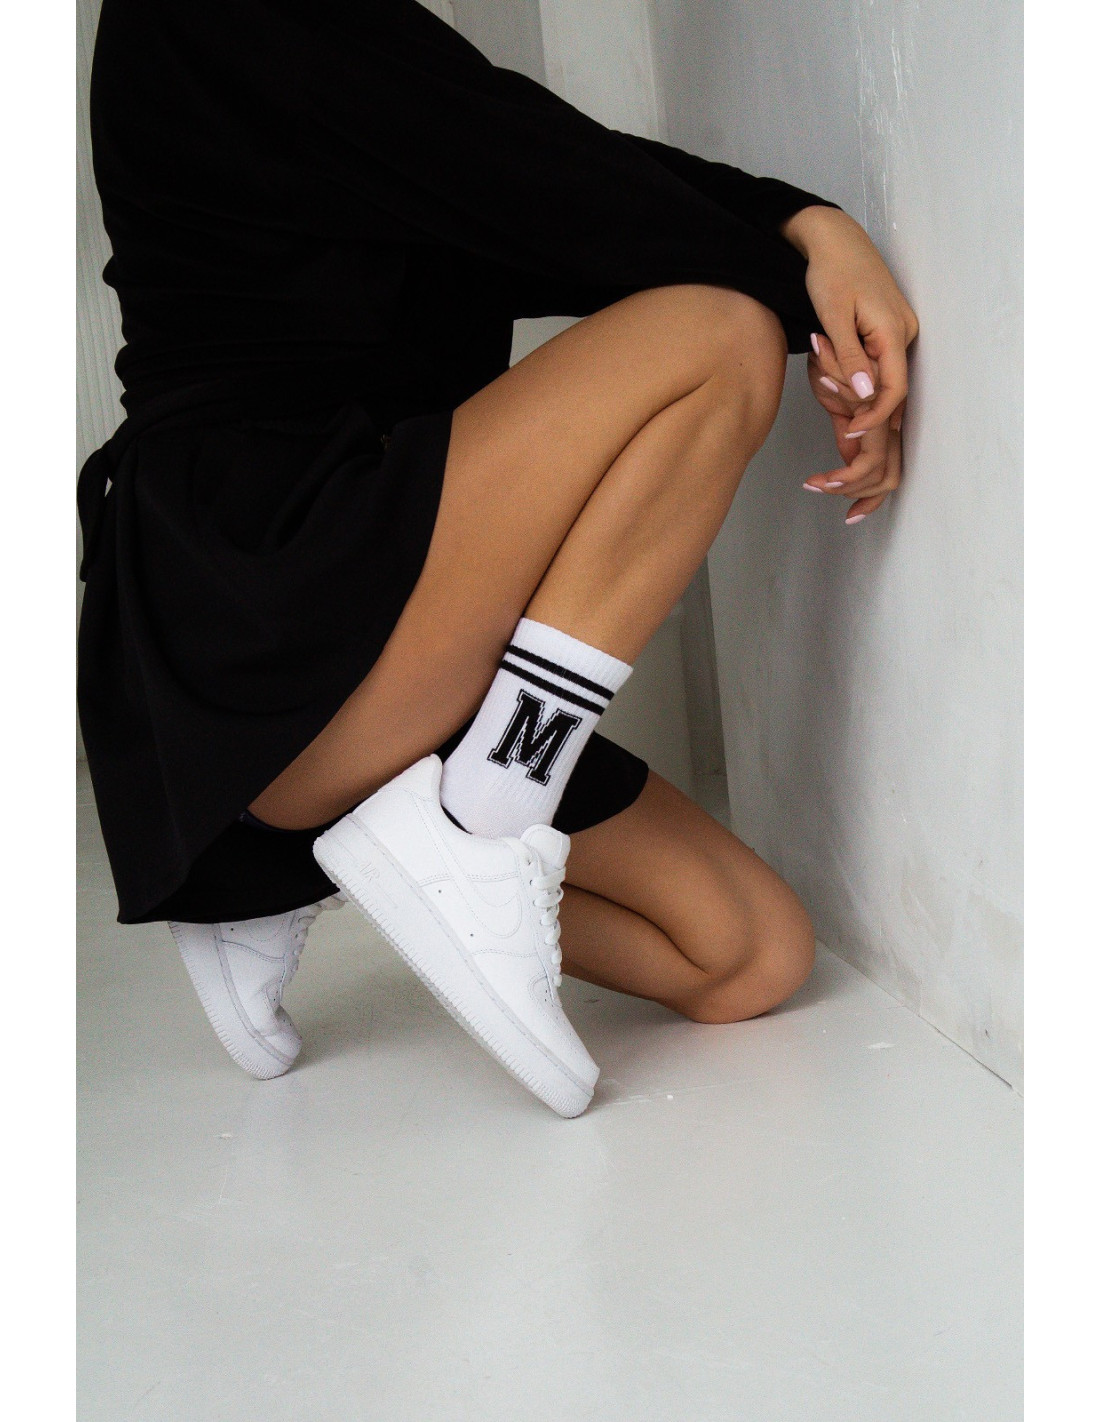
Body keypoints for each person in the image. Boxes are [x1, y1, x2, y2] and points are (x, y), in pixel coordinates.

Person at [78, 0, 918, 1115]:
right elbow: (553, 190)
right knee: (717, 336)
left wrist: (808, 231)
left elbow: (540, 174)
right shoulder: (221, 15)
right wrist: (809, 252)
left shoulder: (372, 61)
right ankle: (487, 811)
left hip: (362, 626)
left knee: (748, 954)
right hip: (266, 605)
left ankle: (335, 851)